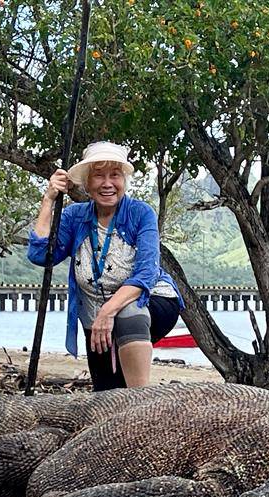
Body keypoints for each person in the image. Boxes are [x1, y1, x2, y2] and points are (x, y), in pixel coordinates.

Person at [28, 141, 184, 390]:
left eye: (114, 175)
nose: (107, 183)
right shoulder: (74, 216)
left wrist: (108, 310)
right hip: (96, 315)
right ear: (87, 183)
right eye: (98, 175)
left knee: (128, 315)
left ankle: (141, 402)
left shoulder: (140, 213)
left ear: (124, 180)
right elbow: (40, 255)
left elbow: (146, 274)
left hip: (151, 300)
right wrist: (49, 199)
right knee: (107, 391)